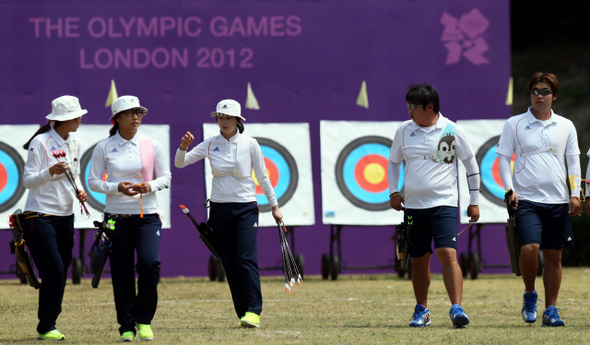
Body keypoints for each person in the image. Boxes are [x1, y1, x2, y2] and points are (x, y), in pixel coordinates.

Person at [174, 99, 283, 328]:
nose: (223, 121)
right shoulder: (210, 143)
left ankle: (254, 310)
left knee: (246, 259)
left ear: (237, 121)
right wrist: (183, 147)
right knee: (229, 262)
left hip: (245, 208)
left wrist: (274, 206)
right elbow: (180, 163)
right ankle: (243, 312)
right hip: (220, 209)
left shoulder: (250, 143)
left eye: (228, 117)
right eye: (220, 117)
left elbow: (262, 176)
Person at [388, 84, 480, 329]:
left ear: (430, 107)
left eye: (414, 106)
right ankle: (422, 310)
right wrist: (394, 191)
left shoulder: (452, 130)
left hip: (444, 204)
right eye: (408, 105)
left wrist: (474, 201)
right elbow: (394, 162)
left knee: (447, 254)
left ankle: (457, 308)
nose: (410, 111)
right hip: (414, 207)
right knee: (419, 258)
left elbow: (471, 165)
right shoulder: (404, 131)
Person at [496, 72, 580, 327]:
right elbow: (502, 157)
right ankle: (530, 294)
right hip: (527, 200)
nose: (539, 96)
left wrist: (575, 193)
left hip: (558, 199)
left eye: (545, 91)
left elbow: (573, 160)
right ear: (529, 94)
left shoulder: (566, 125)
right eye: (535, 91)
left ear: (554, 95)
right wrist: (510, 190)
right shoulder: (515, 124)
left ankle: (551, 309)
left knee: (554, 257)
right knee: (529, 249)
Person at [88, 95, 171, 342]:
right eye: (130, 113)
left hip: (147, 216)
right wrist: (117, 188)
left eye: (139, 113)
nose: (136, 118)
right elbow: (93, 181)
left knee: (149, 264)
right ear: (116, 119)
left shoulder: (152, 144)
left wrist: (150, 185)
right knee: (121, 272)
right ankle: (126, 326)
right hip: (116, 218)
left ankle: (143, 319)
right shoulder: (103, 147)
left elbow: (166, 176)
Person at [21, 95, 88, 340]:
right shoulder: (40, 142)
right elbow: (29, 180)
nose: (81, 119)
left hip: (65, 216)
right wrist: (50, 171)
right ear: (64, 119)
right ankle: (47, 326)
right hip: (39, 215)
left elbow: (76, 173)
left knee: (61, 270)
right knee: (55, 271)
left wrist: (79, 190)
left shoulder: (74, 141)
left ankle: (49, 323)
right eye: (77, 116)